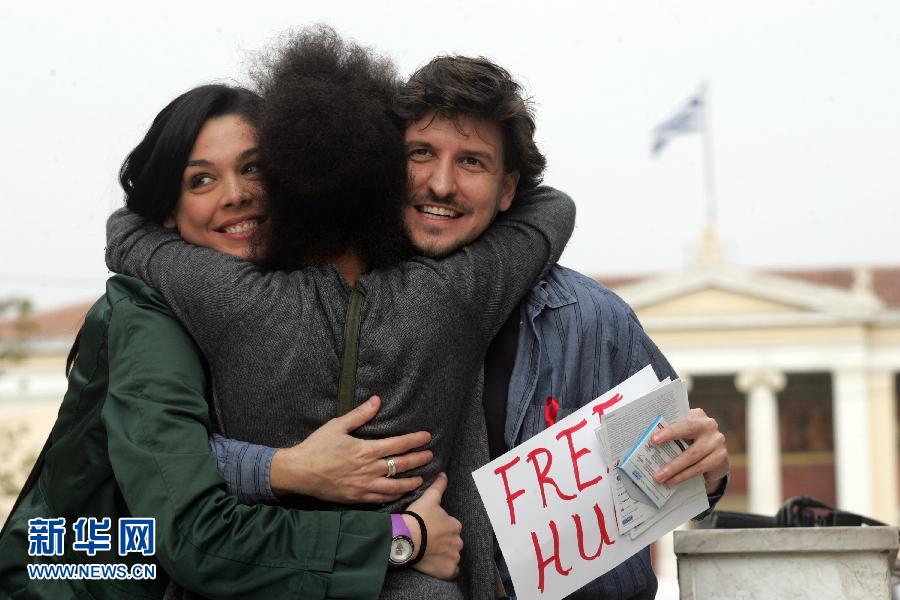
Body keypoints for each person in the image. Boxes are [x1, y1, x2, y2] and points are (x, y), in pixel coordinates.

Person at [223, 55, 732, 599]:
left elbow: (672, 475)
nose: (441, 184)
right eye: (421, 154)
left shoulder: (591, 318)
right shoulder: (321, 303)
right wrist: (284, 468)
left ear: (508, 188)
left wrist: (707, 470)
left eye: (471, 162)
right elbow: (184, 467)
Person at [104, 26, 575, 600]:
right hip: (419, 583)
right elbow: (551, 210)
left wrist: (156, 210)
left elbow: (128, 236)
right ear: (388, 179)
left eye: (255, 170)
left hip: (262, 581)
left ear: (284, 182)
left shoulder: (226, 297)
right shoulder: (456, 292)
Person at [0, 84, 464, 599]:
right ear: (169, 212)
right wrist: (400, 538)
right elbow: (196, 536)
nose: (235, 194)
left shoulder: (287, 290)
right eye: (201, 180)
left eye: (253, 168)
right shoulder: (149, 316)